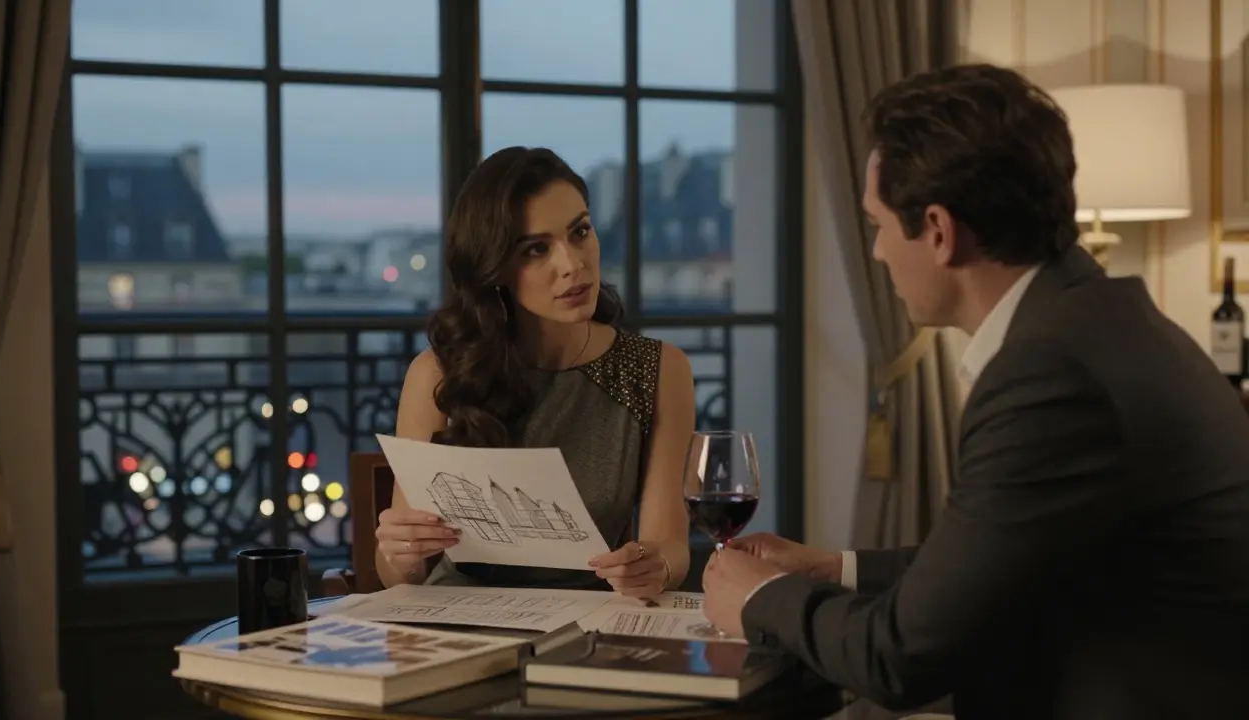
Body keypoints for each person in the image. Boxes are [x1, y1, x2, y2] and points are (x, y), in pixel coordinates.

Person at [701, 63, 1249, 719]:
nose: (875, 252)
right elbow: (995, 565)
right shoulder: (1101, 320)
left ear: (938, 229)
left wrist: (760, 599)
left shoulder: (1050, 374)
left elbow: (898, 659)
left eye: (877, 224)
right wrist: (833, 568)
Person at [372, 146, 695, 599]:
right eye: (537, 249)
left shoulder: (658, 370)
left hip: (590, 627)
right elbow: (400, 575)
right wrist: (401, 555)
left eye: (580, 231)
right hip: (457, 624)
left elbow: (670, 544)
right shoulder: (438, 375)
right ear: (496, 267)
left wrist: (655, 567)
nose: (573, 264)